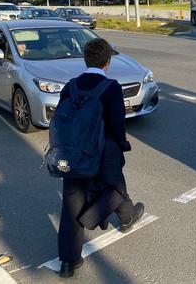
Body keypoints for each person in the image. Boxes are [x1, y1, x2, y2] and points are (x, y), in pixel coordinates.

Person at [56, 38, 144, 278]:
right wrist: (122, 143)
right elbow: (117, 124)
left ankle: (68, 262)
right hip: (104, 149)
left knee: (71, 202)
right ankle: (101, 216)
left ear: (85, 60)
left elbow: (62, 120)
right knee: (114, 187)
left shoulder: (71, 86)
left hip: (74, 153)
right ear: (107, 62)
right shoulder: (111, 87)